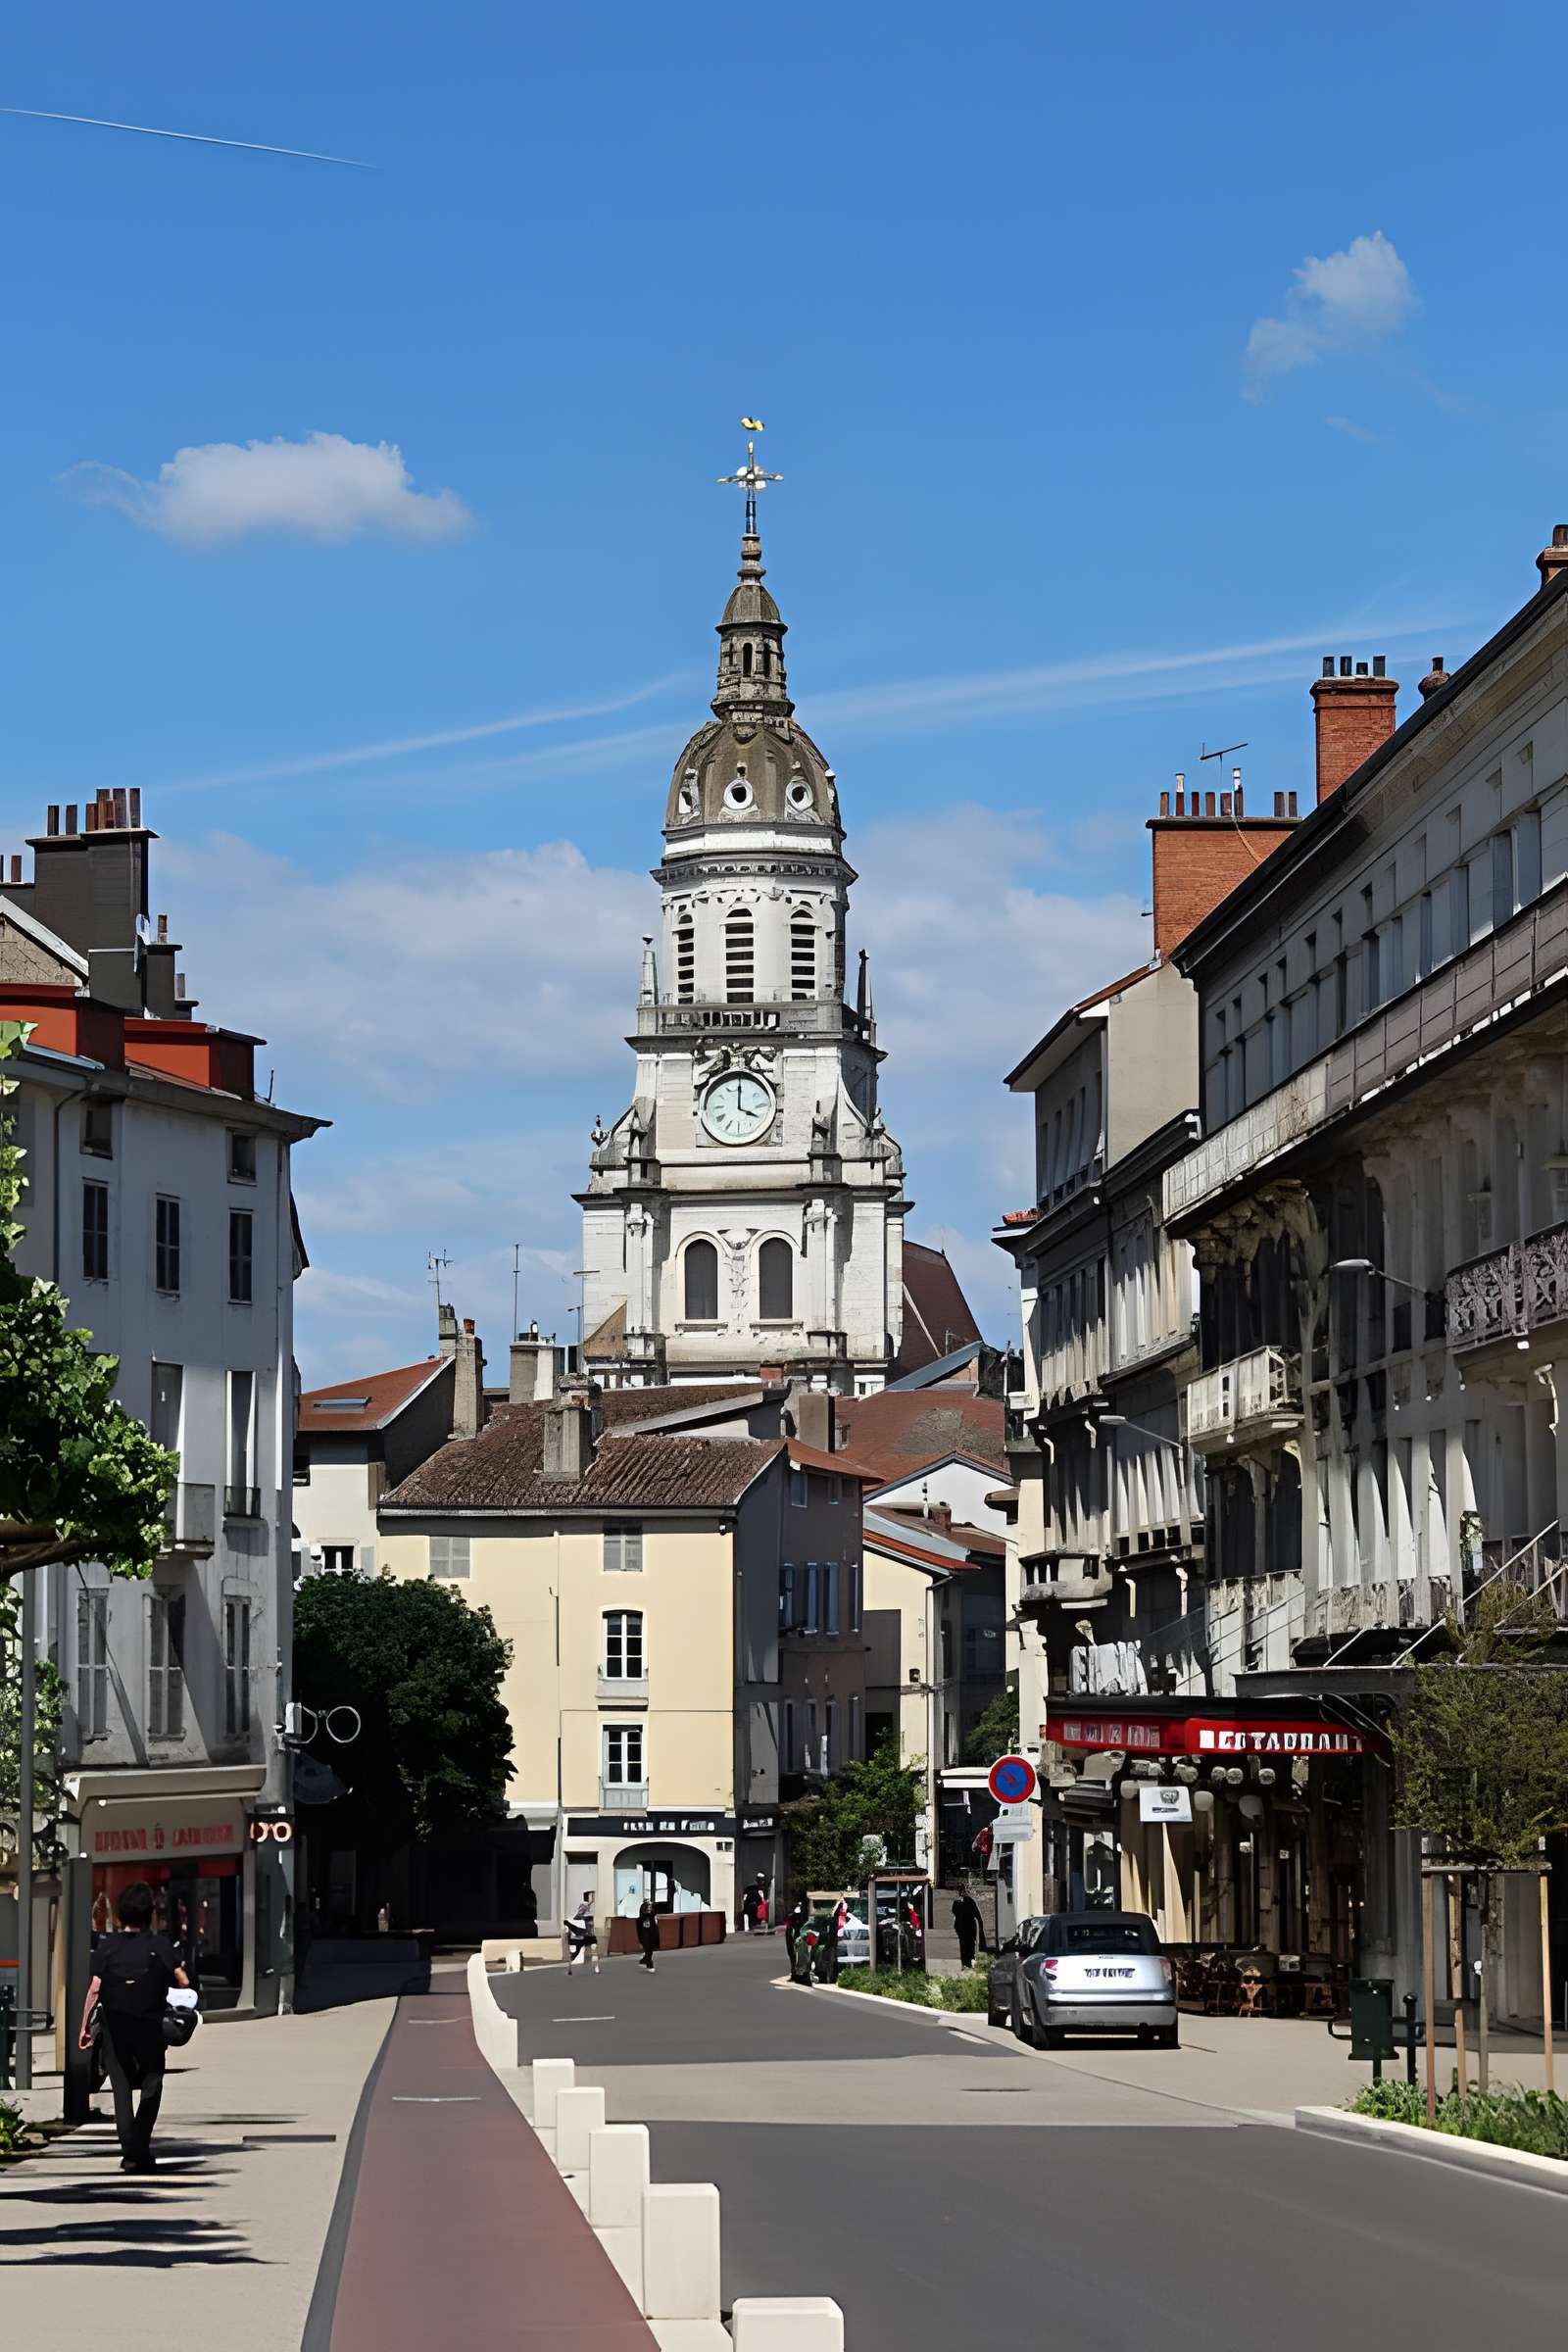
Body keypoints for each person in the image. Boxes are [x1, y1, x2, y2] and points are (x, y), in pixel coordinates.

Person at [79, 1880, 190, 2174]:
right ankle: (137, 2144)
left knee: (121, 2086)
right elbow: (183, 1980)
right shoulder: (159, 1945)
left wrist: (85, 2027)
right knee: (153, 2083)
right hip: (150, 2024)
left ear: (120, 1915)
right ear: (150, 1914)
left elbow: (94, 1989)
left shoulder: (108, 1947)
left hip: (115, 2025)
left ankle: (131, 2147)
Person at [566, 1894, 601, 1975]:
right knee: (577, 1952)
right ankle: (569, 1967)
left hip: (588, 1935)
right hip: (581, 1936)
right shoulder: (581, 1912)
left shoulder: (589, 1914)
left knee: (594, 1949)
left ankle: (596, 1968)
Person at [953, 1888, 985, 1970]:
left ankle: (965, 1963)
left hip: (963, 1927)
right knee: (969, 1945)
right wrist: (981, 1925)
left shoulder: (957, 1902)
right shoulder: (970, 1902)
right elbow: (977, 1914)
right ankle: (968, 1962)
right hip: (968, 1927)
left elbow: (954, 1912)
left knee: (964, 1946)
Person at [635, 1896, 659, 1973]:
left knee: (650, 1948)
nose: (649, 1908)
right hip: (644, 1931)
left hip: (651, 1931)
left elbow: (655, 1921)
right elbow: (642, 1917)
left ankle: (644, 1960)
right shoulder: (642, 1910)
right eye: (648, 1906)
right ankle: (649, 1964)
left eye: (650, 1906)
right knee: (647, 1945)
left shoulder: (653, 1912)